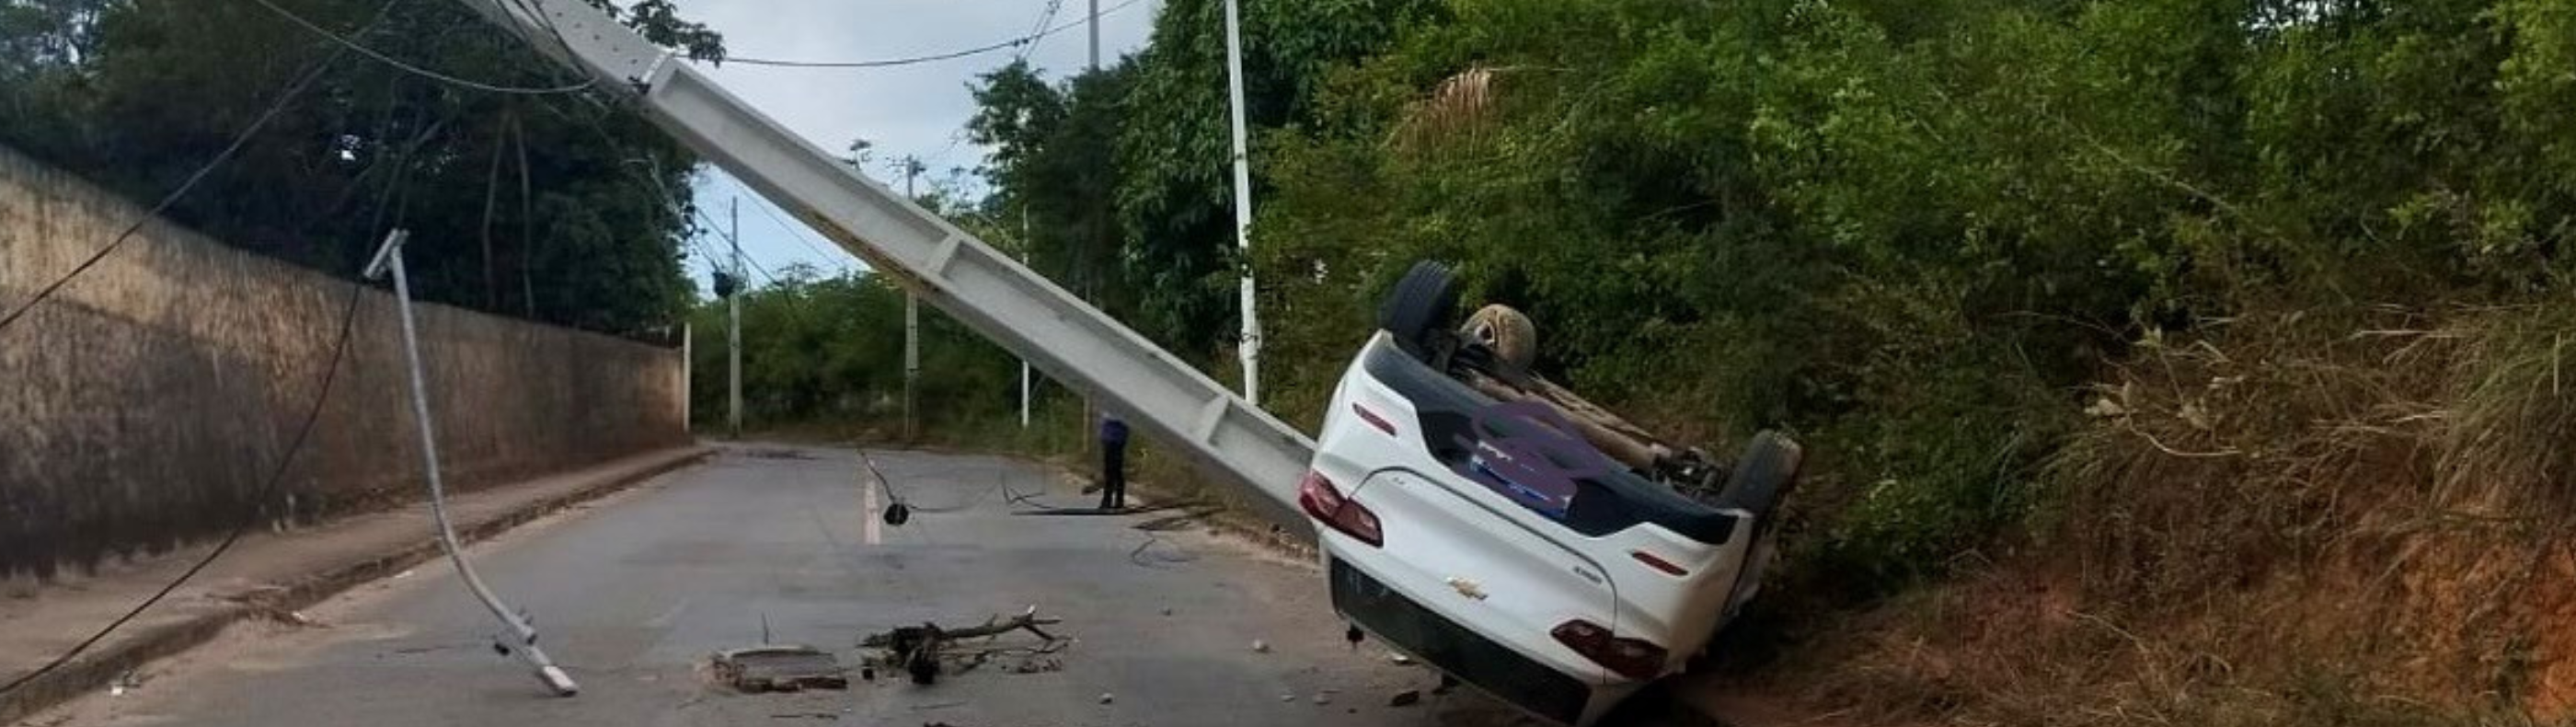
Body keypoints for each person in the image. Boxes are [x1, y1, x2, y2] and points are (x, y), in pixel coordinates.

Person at [1098, 413, 1130, 511]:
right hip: (1109, 436)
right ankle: (1110, 500)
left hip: (1116, 437)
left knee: (1114, 470)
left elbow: (1115, 417)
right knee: (1110, 470)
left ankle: (1113, 501)